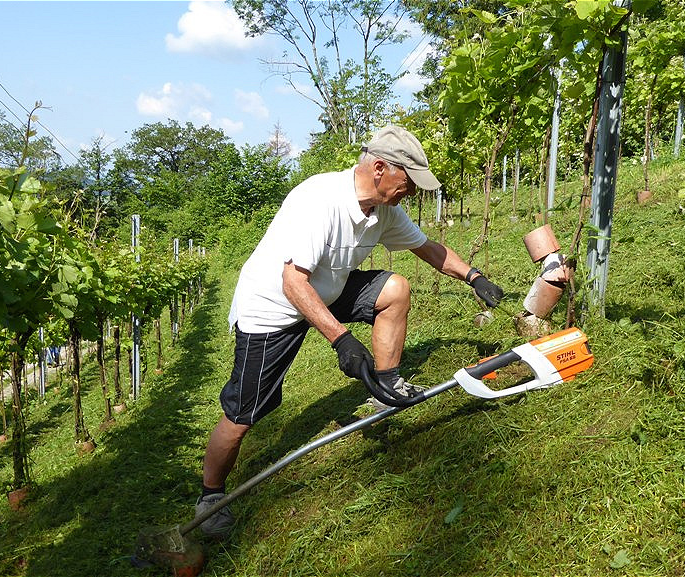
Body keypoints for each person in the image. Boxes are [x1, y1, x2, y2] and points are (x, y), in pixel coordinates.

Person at [194, 125, 504, 537]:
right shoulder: (319, 200)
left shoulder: (384, 209)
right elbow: (292, 283)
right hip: (272, 307)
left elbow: (427, 248)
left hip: (327, 287)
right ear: (379, 168)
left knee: (394, 290)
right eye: (408, 182)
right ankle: (210, 495)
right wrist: (342, 340)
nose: (411, 192)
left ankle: (387, 389)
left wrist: (474, 277)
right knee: (243, 415)